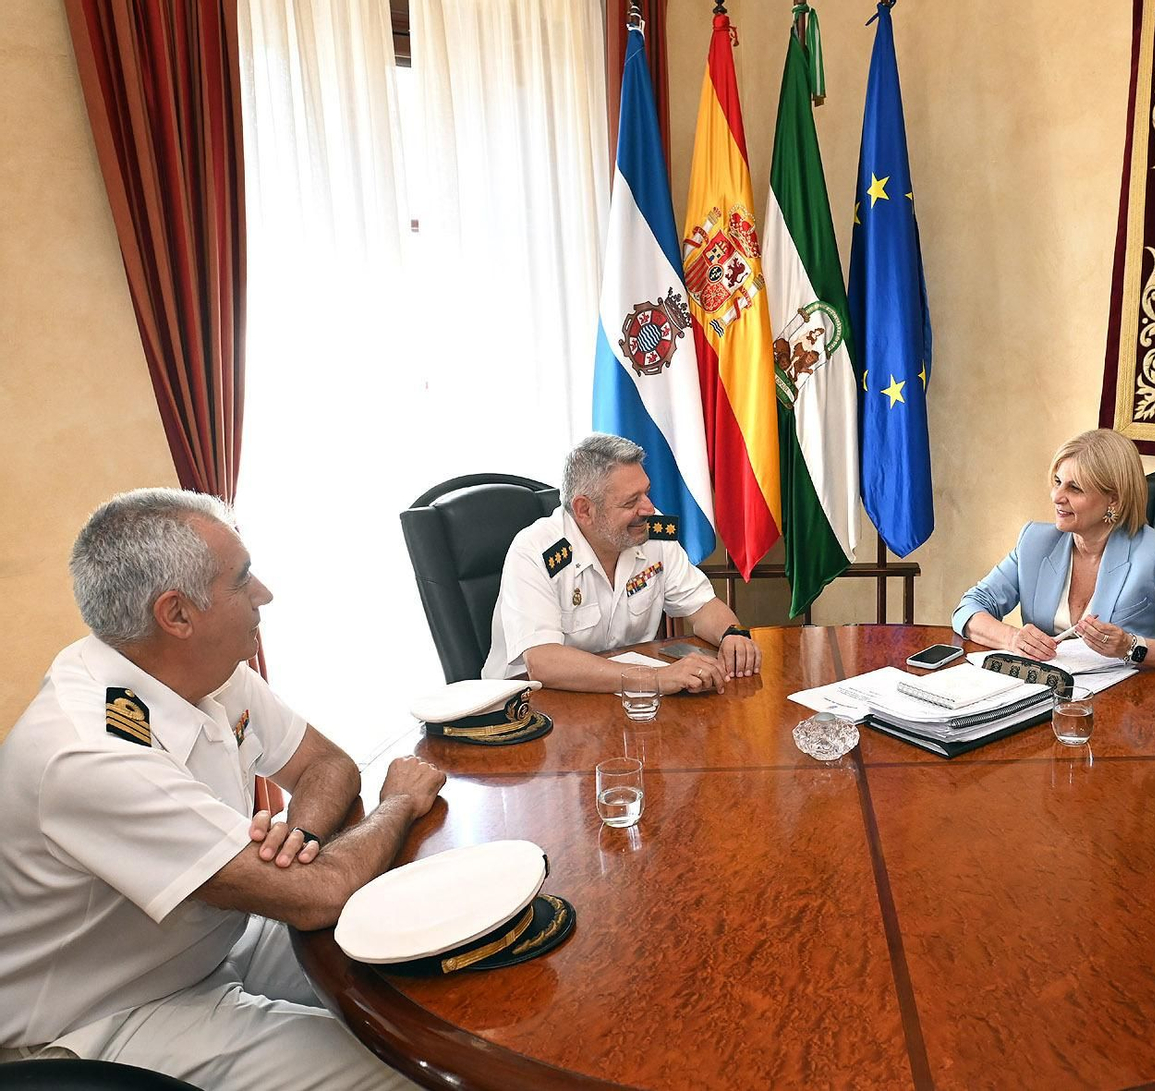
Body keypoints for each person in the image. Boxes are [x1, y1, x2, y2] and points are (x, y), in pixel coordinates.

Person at [0, 488, 444, 1090]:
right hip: (109, 1013)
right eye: (242, 580)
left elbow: (326, 765)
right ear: (177, 615)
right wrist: (397, 802)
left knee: (435, 967)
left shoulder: (204, 670)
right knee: (414, 1075)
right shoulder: (90, 753)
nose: (264, 594)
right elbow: (318, 896)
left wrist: (301, 837)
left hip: (216, 932)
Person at [482, 433, 760, 694]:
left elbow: (701, 606)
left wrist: (731, 635)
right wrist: (656, 679)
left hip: (622, 698)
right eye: (630, 502)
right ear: (584, 510)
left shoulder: (650, 531)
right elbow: (543, 662)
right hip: (529, 709)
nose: (648, 508)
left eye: (646, 492)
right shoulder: (535, 550)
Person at [952, 429, 1155, 674]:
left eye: (1075, 488)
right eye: (1057, 481)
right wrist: (1012, 639)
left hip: (1125, 706)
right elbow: (969, 608)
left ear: (1114, 499)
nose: (1057, 497)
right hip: (1041, 697)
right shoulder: (1036, 541)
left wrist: (1132, 647)